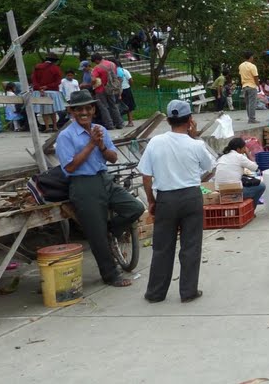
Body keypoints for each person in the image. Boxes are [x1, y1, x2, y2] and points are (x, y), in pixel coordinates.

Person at [55, 90, 145, 287]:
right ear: (72, 111)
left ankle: (111, 231)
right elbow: (69, 167)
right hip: (83, 184)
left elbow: (113, 157)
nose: (84, 112)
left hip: (104, 179)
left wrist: (101, 146)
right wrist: (90, 144)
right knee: (96, 235)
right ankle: (111, 275)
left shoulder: (99, 129)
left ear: (94, 109)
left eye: (88, 108)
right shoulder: (66, 136)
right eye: (79, 109)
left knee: (135, 207)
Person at [139, 100, 215, 304]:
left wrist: (151, 200)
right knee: (191, 245)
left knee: (162, 247)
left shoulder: (155, 142)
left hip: (166, 198)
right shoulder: (196, 144)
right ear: (190, 120)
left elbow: (146, 176)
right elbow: (210, 166)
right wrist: (194, 137)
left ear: (168, 120)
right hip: (191, 197)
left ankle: (155, 293)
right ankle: (188, 291)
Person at [215, 138, 265, 208]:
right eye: (244, 148)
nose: (245, 150)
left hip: (219, 191)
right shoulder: (239, 157)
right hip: (233, 193)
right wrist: (247, 153)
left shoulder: (222, 157)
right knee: (261, 186)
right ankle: (252, 209)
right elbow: (255, 167)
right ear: (238, 149)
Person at [31, 54, 65, 132]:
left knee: (43, 111)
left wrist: (40, 88)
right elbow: (58, 81)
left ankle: (47, 127)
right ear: (54, 61)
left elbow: (34, 80)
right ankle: (55, 126)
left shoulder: (37, 67)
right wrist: (47, 86)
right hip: (52, 92)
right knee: (53, 110)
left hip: (39, 92)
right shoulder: (56, 68)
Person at [90, 54, 123, 130]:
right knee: (113, 106)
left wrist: (91, 85)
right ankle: (119, 123)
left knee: (104, 107)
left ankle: (109, 125)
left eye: (95, 62)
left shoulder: (97, 68)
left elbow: (93, 80)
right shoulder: (112, 64)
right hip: (111, 88)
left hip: (100, 89)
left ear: (96, 60)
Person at [240, 51, 260, 124]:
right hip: (252, 86)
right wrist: (258, 85)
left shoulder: (241, 66)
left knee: (248, 103)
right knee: (252, 103)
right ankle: (252, 119)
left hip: (244, 86)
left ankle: (250, 118)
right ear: (251, 57)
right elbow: (255, 77)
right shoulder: (252, 66)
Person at [116, 61, 135, 127]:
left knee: (125, 106)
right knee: (126, 106)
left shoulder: (121, 71)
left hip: (123, 89)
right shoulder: (124, 71)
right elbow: (131, 80)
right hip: (125, 89)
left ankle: (128, 121)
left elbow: (131, 80)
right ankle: (127, 121)